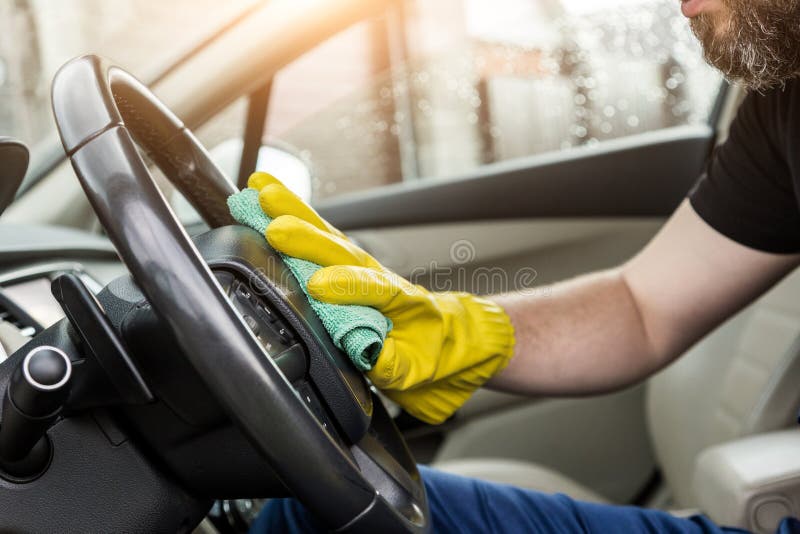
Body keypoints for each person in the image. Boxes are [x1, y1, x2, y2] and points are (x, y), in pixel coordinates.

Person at [249, 0, 800, 531]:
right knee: (318, 506)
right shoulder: (783, 104)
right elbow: (642, 307)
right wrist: (447, 330)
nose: (680, 6)